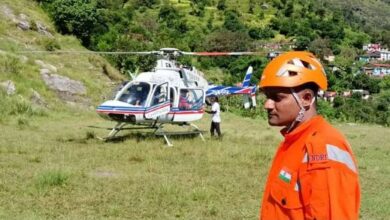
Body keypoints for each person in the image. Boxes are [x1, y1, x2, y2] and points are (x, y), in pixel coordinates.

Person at [258, 51, 360, 220]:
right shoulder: (294, 140)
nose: (267, 105)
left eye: (277, 98)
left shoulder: (322, 148)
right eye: (267, 97)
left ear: (306, 98)